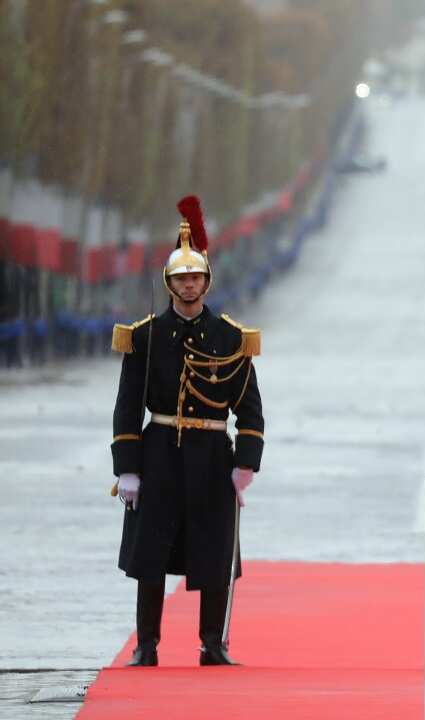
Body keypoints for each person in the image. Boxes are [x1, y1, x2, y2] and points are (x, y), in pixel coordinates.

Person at [110, 196, 264, 666]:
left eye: (195, 276)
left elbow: (251, 412)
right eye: (180, 278)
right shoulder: (145, 336)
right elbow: (126, 409)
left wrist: (245, 465)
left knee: (214, 553)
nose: (189, 284)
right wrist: (128, 470)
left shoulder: (230, 339)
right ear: (169, 283)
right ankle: (147, 645)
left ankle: (212, 643)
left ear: (206, 281)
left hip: (212, 456)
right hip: (158, 453)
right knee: (151, 553)